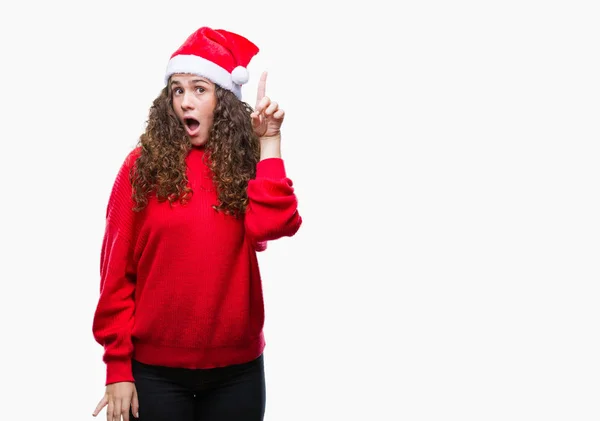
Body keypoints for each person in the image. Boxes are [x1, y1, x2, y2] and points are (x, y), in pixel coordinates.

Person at [91, 26, 302, 421]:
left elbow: (273, 226)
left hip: (237, 371)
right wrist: (117, 367)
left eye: (199, 89)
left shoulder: (243, 164)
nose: (185, 101)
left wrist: (269, 143)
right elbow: (115, 273)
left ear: (222, 99)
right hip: (155, 374)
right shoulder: (142, 167)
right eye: (177, 90)